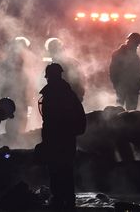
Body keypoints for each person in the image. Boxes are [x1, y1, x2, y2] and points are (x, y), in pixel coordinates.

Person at [38, 63, 86, 211]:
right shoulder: (69, 94)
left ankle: (58, 199)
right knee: (66, 169)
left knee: (55, 170)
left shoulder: (51, 94)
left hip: (55, 138)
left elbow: (49, 120)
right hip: (67, 138)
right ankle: (68, 200)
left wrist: (46, 140)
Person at [109, 32, 140, 110]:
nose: (136, 46)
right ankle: (117, 122)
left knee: (131, 111)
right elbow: (113, 71)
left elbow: (139, 72)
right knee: (119, 109)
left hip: (133, 88)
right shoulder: (118, 54)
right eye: (136, 44)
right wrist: (116, 84)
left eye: (137, 45)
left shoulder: (136, 57)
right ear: (130, 42)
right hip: (122, 86)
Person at [45, 37, 86, 102]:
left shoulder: (72, 63)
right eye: (51, 50)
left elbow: (81, 81)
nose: (51, 53)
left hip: (69, 100)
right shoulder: (73, 62)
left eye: (53, 50)